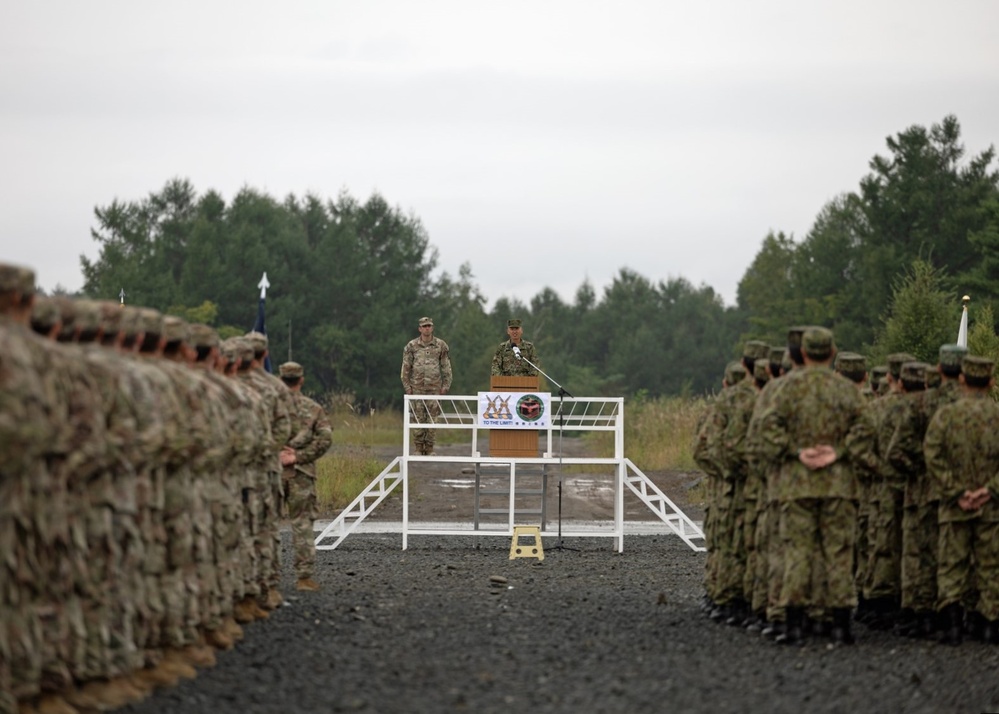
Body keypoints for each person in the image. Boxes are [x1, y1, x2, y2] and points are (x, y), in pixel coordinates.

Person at [757, 326, 875, 645]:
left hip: (797, 484)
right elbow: (866, 429)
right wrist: (841, 451)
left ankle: (793, 624)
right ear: (833, 353)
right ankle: (840, 625)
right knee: (838, 553)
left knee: (798, 551)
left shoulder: (785, 389)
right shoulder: (847, 390)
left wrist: (796, 452)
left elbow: (765, 429)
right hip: (839, 484)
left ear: (804, 353)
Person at [278, 362, 333, 592]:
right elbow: (325, 439)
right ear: (301, 380)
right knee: (302, 524)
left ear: (280, 380)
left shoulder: (267, 408)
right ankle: (304, 577)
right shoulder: (312, 409)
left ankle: (265, 580)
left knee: (265, 526)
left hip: (272, 473)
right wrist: (299, 456)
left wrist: (276, 455)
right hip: (301, 474)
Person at [400, 316, 452, 455]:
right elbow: (406, 367)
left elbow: (446, 367)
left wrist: (446, 385)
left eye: (429, 325)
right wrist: (407, 386)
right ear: (420, 329)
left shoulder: (440, 345)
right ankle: (418, 448)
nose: (427, 328)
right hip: (417, 388)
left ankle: (429, 448)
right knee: (418, 418)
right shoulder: (412, 346)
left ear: (432, 327)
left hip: (434, 389)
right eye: (424, 326)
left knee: (433, 420)